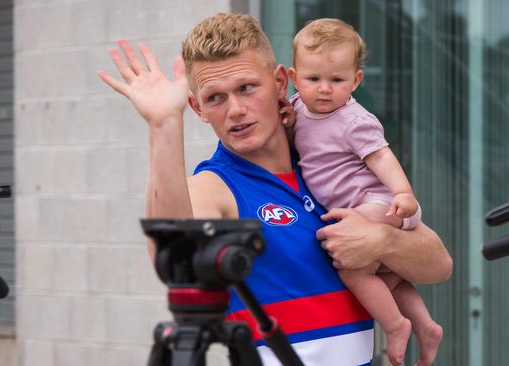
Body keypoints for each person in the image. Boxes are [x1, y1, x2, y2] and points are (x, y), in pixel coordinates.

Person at [97, 12, 452, 366]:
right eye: (216, 98)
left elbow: (439, 265)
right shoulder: (217, 185)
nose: (236, 110)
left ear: (281, 82)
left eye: (247, 88)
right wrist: (164, 126)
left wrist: (380, 241)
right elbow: (175, 259)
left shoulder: (328, 160)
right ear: (198, 108)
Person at [286, 18, 443, 366]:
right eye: (314, 79)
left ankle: (394, 326)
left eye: (337, 80)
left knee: (350, 266)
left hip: (380, 203)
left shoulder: (353, 120)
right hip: (365, 207)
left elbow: (382, 157)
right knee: (389, 276)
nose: (324, 89)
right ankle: (426, 325)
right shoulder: (297, 109)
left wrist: (403, 193)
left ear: (355, 80)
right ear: (295, 79)